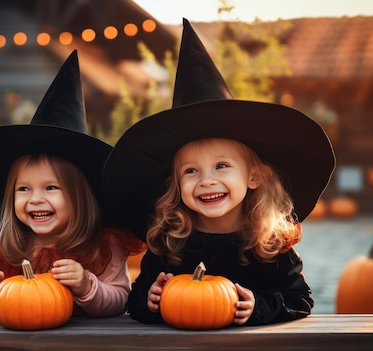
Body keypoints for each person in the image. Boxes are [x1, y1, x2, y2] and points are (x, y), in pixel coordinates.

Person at [102, 19, 335, 326]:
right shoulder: (170, 241)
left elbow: (299, 301)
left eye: (222, 166)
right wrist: (151, 300)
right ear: (176, 184)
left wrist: (259, 307)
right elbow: (136, 302)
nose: (206, 180)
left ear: (254, 176)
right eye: (191, 171)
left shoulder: (270, 243)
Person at [0, 51, 143, 318]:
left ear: (79, 198)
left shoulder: (102, 246)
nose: (35, 198)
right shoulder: (4, 247)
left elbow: (119, 300)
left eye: (50, 188)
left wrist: (87, 286)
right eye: (23, 189)